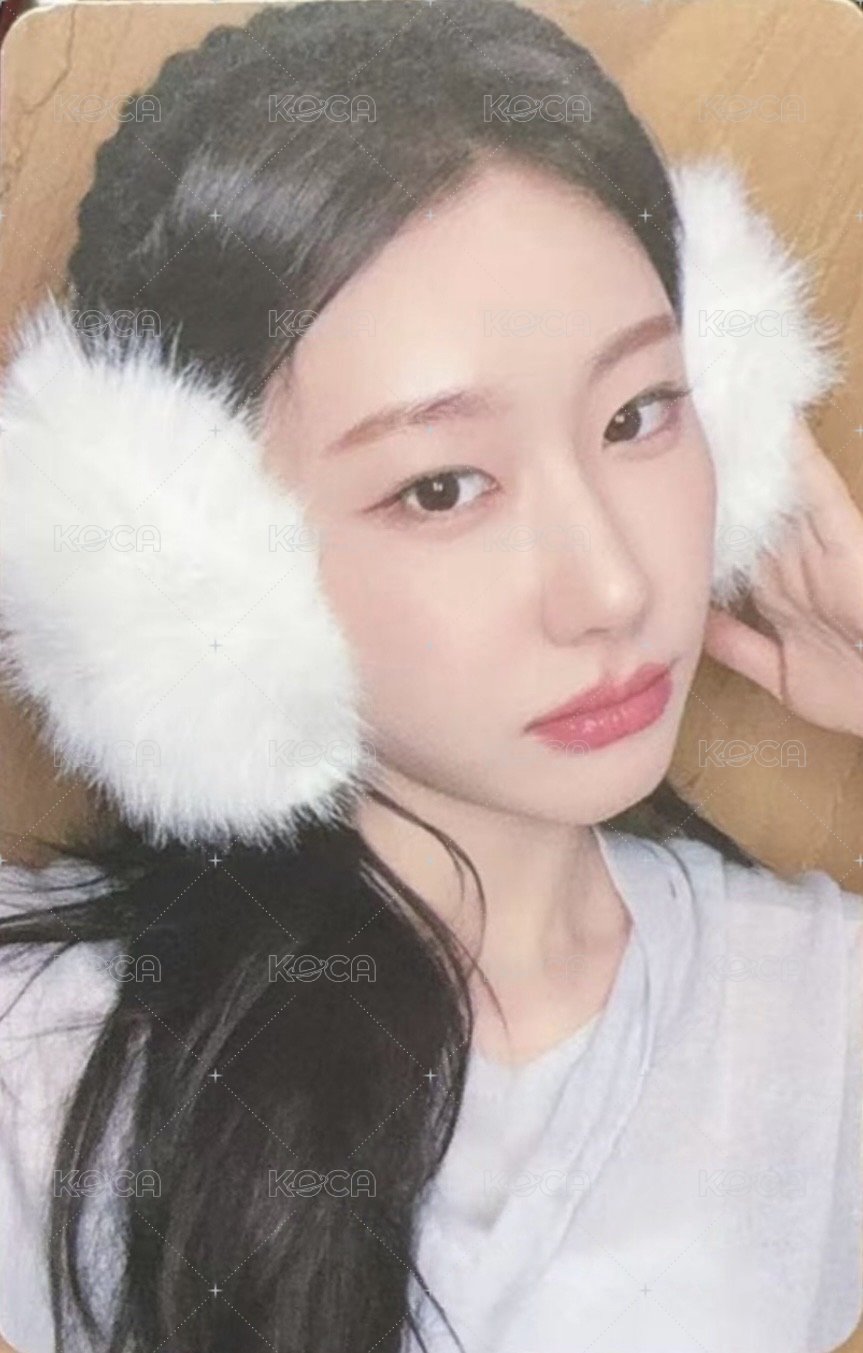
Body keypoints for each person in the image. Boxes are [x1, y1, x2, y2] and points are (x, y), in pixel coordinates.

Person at [0, 2, 861, 1350]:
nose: (616, 588)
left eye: (639, 413)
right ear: (191, 574)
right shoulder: (35, 1061)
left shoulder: (823, 1012)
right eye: (442, 486)